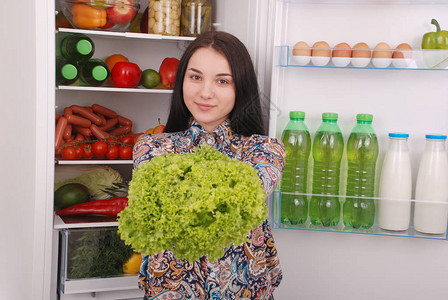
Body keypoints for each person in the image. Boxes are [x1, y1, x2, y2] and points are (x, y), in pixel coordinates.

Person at [133, 30, 285, 300]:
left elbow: (249, 191)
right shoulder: (151, 146)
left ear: (241, 87)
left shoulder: (266, 150)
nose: (205, 92)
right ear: (182, 81)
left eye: (222, 81)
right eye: (195, 77)